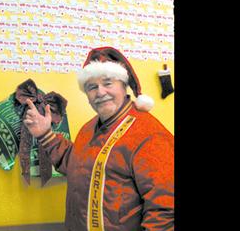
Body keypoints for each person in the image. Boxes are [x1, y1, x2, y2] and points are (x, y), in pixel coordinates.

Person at [23, 46, 174, 231]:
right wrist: (45, 134)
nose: (100, 92)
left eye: (108, 83)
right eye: (92, 87)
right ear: (87, 96)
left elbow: (165, 209)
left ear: (123, 85)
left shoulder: (150, 135)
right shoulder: (88, 128)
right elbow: (77, 164)